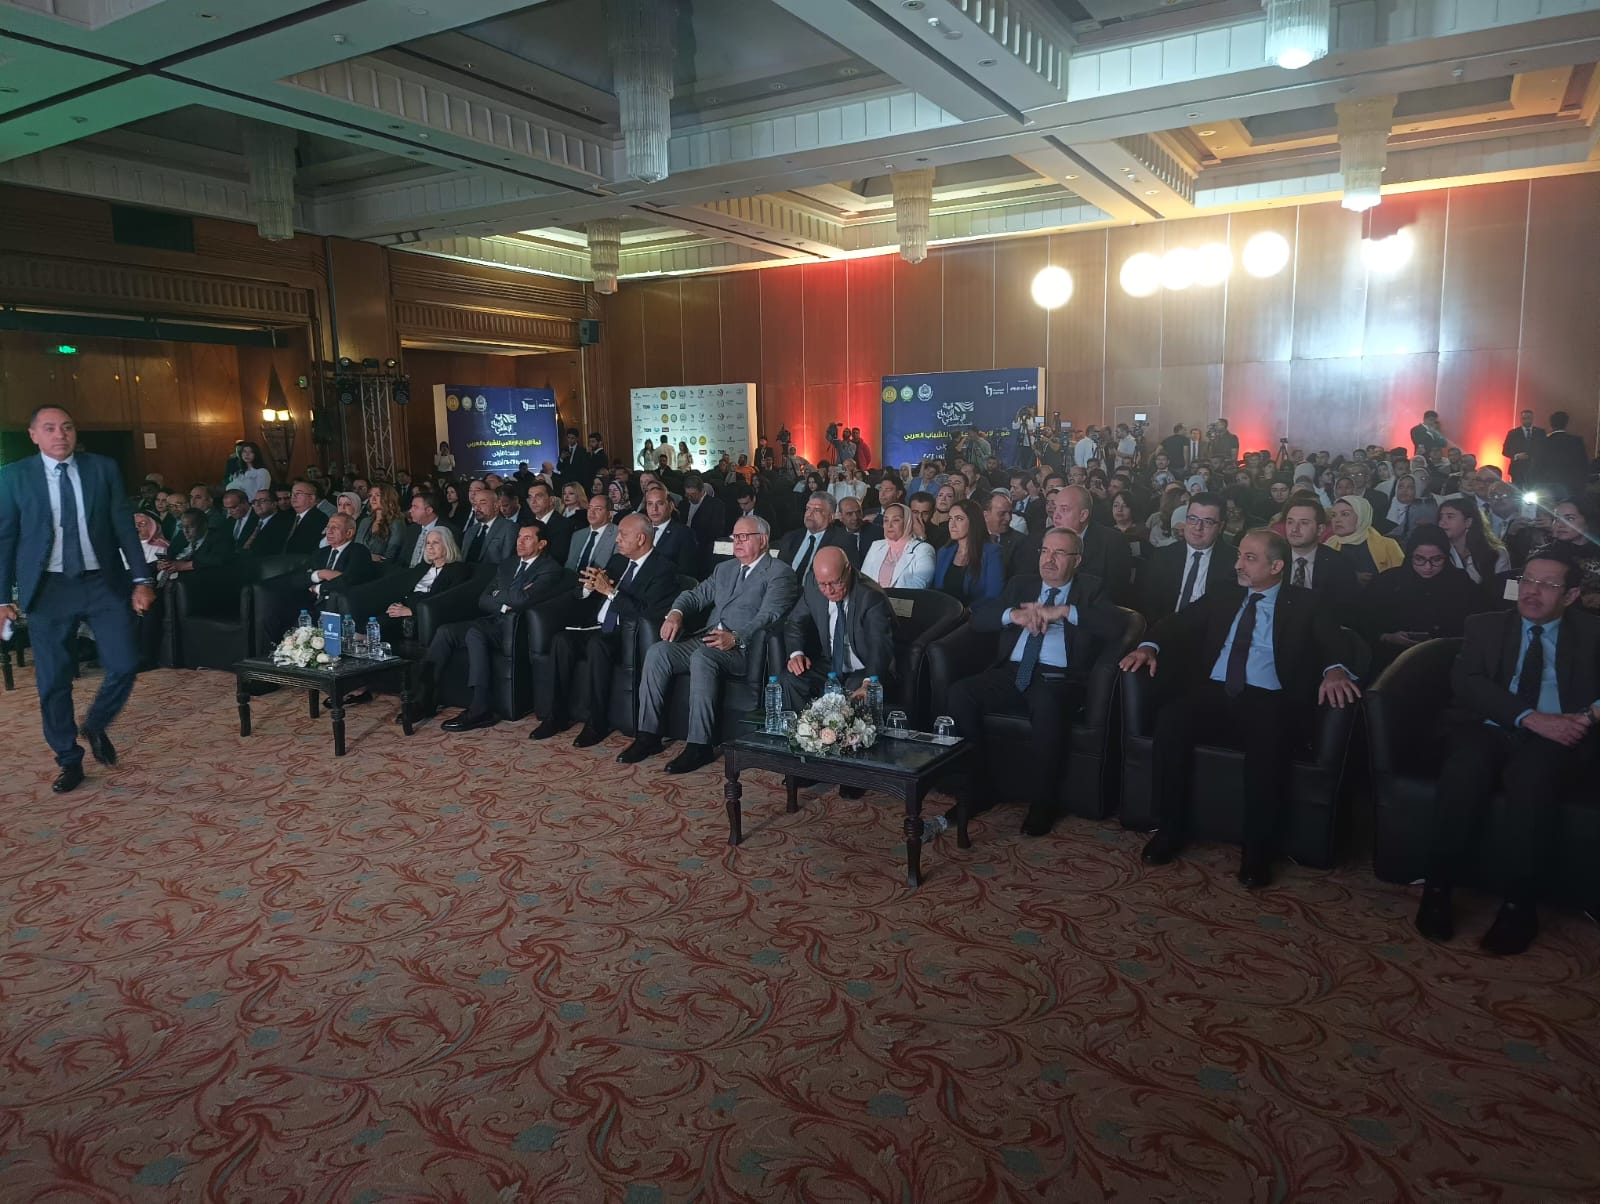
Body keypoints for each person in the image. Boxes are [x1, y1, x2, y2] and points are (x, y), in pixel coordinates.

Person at [1122, 528, 1362, 887]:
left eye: (1250, 558)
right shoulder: (1224, 592)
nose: (1238, 564)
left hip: (1270, 697)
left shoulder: (1306, 603)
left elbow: (1336, 643)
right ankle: (1169, 829)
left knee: (1268, 736)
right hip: (1215, 692)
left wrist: (1335, 670)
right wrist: (1149, 645)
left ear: (1277, 566)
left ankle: (1257, 849)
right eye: (1239, 556)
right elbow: (1178, 623)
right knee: (1171, 719)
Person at [1415, 543, 1600, 955]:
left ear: (1571, 595)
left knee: (1531, 780)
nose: (1532, 591)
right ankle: (1438, 889)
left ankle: (1519, 905)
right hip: (1492, 725)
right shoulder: (1485, 625)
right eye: (1527, 580)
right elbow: (1468, 682)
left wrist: (1587, 717)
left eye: (1548, 585)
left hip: (1559, 735)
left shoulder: (1591, 634)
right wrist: (1529, 717)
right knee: (1464, 770)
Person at [0, 405, 155, 790]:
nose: (60, 435)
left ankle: (96, 723)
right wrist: (2, 598)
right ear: (34, 435)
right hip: (48, 589)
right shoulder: (14, 476)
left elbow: (123, 525)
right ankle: (69, 759)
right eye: (50, 428)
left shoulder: (102, 468)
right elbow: (5, 539)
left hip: (101, 582)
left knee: (124, 662)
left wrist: (141, 578)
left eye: (67, 427)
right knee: (53, 680)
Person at [943, 527, 1127, 836]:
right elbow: (979, 618)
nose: (1049, 559)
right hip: (1011, 671)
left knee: (1046, 704)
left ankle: (1043, 802)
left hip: (1058, 678)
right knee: (961, 694)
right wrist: (1012, 615)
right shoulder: (1021, 584)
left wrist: (1065, 611)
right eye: (1045, 551)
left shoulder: (1092, 589)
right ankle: (976, 788)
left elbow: (1115, 626)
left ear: (1077, 560)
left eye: (1059, 553)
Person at [618, 516, 799, 774]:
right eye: (735, 537)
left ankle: (699, 746)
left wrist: (736, 637)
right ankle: (648, 735)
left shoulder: (779, 573)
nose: (737, 542)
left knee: (703, 656)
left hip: (744, 650)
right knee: (659, 651)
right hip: (708, 638)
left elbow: (770, 616)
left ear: (763, 540)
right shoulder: (725, 569)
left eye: (744, 537)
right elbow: (694, 595)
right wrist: (676, 613)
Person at [532, 513, 683, 746]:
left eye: (623, 534)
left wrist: (611, 592)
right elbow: (592, 591)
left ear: (641, 538)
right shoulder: (618, 561)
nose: (617, 539)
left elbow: (646, 613)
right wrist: (588, 587)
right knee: (562, 640)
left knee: (598, 644)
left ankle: (597, 722)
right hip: (598, 626)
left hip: (627, 635)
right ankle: (556, 716)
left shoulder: (663, 569)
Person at [425, 522, 569, 731]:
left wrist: (500, 594)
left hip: (517, 629)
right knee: (445, 632)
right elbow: (483, 599)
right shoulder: (508, 564)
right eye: (519, 537)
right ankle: (425, 698)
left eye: (527, 538)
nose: (520, 542)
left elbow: (522, 601)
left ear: (542, 544)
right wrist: (505, 601)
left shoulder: (549, 568)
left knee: (475, 634)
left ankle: (480, 708)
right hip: (493, 620)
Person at [781, 546, 894, 718]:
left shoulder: (870, 596)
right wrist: (796, 654)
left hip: (865, 667)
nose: (829, 590)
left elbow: (880, 645)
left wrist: (870, 682)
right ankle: (802, 731)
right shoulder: (813, 583)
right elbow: (795, 622)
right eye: (823, 584)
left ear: (848, 569)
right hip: (831, 663)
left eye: (835, 582)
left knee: (854, 697)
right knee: (791, 679)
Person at [1356, 525, 1482, 675]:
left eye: (1436, 559)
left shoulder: (1460, 582)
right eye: (1419, 559)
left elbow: (1477, 624)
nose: (1428, 567)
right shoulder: (1387, 582)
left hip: (1447, 661)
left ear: (1446, 556)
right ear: (1410, 555)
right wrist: (1386, 636)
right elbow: (1361, 621)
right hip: (1393, 663)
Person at [256, 512, 379, 651]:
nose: (329, 531)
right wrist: (319, 574)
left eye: (335, 527)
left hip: (337, 605)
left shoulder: (358, 551)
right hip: (311, 604)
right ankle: (274, 652)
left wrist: (319, 588)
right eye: (328, 527)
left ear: (349, 533)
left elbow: (351, 579)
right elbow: (300, 577)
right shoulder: (320, 553)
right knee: (274, 607)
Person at [1138, 492, 1235, 622]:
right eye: (1192, 519)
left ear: (1221, 526)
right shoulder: (1163, 556)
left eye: (1207, 522)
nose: (1198, 527)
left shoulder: (1234, 562)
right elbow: (1148, 604)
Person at [381, 526, 470, 647]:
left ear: (447, 545)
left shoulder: (457, 569)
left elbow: (448, 599)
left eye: (435, 542)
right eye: (427, 543)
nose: (430, 547)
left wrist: (411, 611)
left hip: (424, 613)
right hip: (406, 606)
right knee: (375, 621)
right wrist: (396, 603)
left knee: (382, 626)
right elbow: (404, 587)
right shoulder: (422, 567)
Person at [1280, 498, 1360, 610]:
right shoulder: (1274, 556)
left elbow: (1345, 609)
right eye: (1290, 522)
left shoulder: (1339, 563)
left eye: (1304, 523)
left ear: (1320, 529)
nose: (1294, 529)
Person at [929, 498, 1002, 604]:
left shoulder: (992, 552)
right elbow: (936, 590)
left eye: (959, 519)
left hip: (975, 612)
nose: (952, 524)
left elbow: (993, 595)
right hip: (944, 610)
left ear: (973, 522)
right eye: (950, 519)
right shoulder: (944, 551)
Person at [1436, 497, 1511, 594]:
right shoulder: (1436, 551)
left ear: (1468, 522)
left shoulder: (1496, 553)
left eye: (1450, 517)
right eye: (1441, 517)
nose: (1442, 523)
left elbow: (1503, 590)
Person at [1322, 496, 1403, 585]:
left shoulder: (1388, 545)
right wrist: (1350, 577)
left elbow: (1402, 579)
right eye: (1333, 515)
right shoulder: (1328, 545)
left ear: (1361, 516)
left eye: (1345, 514)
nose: (1337, 520)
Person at [861, 502, 934, 589]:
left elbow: (919, 586)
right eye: (886, 520)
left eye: (896, 520)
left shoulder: (924, 550)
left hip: (903, 597)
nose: (889, 525)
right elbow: (863, 580)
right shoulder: (876, 545)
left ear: (907, 522)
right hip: (873, 596)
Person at [778, 492, 844, 585]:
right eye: (808, 509)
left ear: (831, 517)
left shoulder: (842, 541)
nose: (809, 513)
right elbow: (778, 573)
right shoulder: (790, 538)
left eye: (817, 510)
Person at [1548, 499, 1600, 615]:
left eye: (1569, 519)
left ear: (1587, 521)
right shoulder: (1544, 554)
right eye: (1556, 519)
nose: (1560, 525)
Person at [641, 484, 698, 578]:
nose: (654, 509)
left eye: (660, 503)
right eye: (650, 504)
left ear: (670, 506)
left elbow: (686, 573)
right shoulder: (640, 529)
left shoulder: (684, 534)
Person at [681, 473, 726, 577]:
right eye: (687, 494)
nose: (689, 497)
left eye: (693, 494)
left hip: (703, 549)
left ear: (702, 491)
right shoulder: (684, 503)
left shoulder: (715, 505)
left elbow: (717, 531)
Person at [567, 492, 618, 575]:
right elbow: (569, 565)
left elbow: (615, 570)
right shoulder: (578, 535)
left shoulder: (618, 535)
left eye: (598, 509)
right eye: (590, 508)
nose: (592, 512)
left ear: (610, 514)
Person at [832, 495, 881, 569]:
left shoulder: (878, 533)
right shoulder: (834, 538)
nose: (855, 517)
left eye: (858, 512)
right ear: (840, 516)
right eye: (849, 514)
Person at [1502, 409, 1545, 488]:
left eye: (1529, 418)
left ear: (1532, 419)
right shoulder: (1513, 433)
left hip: (1535, 469)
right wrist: (1516, 456)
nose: (1527, 420)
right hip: (1518, 469)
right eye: (1524, 418)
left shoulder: (1540, 432)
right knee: (1517, 491)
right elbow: (1505, 451)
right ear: (1521, 419)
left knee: (1534, 491)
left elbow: (1544, 449)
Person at [219, 488, 258, 553]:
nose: (229, 512)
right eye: (227, 508)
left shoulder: (259, 518)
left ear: (244, 502)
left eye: (233, 507)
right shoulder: (228, 521)